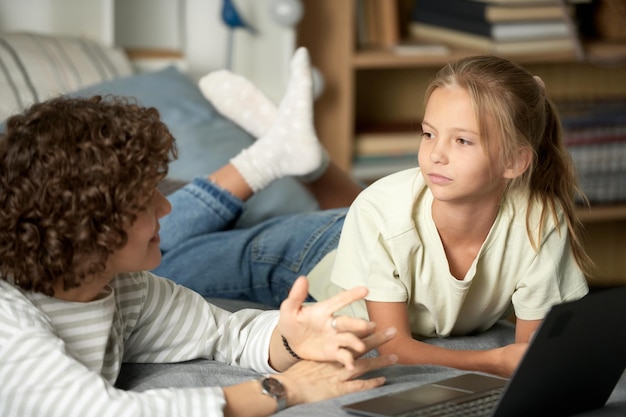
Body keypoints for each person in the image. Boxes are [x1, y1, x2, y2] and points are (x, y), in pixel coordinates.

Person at [159, 51, 592, 379]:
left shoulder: (539, 222)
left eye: (463, 141)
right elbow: (395, 348)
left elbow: (534, 352)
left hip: (382, 233)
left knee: (383, 207)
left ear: (515, 163)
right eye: (428, 134)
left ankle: (302, 159)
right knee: (160, 259)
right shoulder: (384, 213)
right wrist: (493, 360)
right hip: (314, 257)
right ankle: (268, 156)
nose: (436, 154)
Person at [0, 91, 400, 417]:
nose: (166, 208)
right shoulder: (8, 319)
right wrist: (283, 389)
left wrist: (292, 338)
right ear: (89, 227)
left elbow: (228, 334)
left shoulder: (124, 290)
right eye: (144, 200)